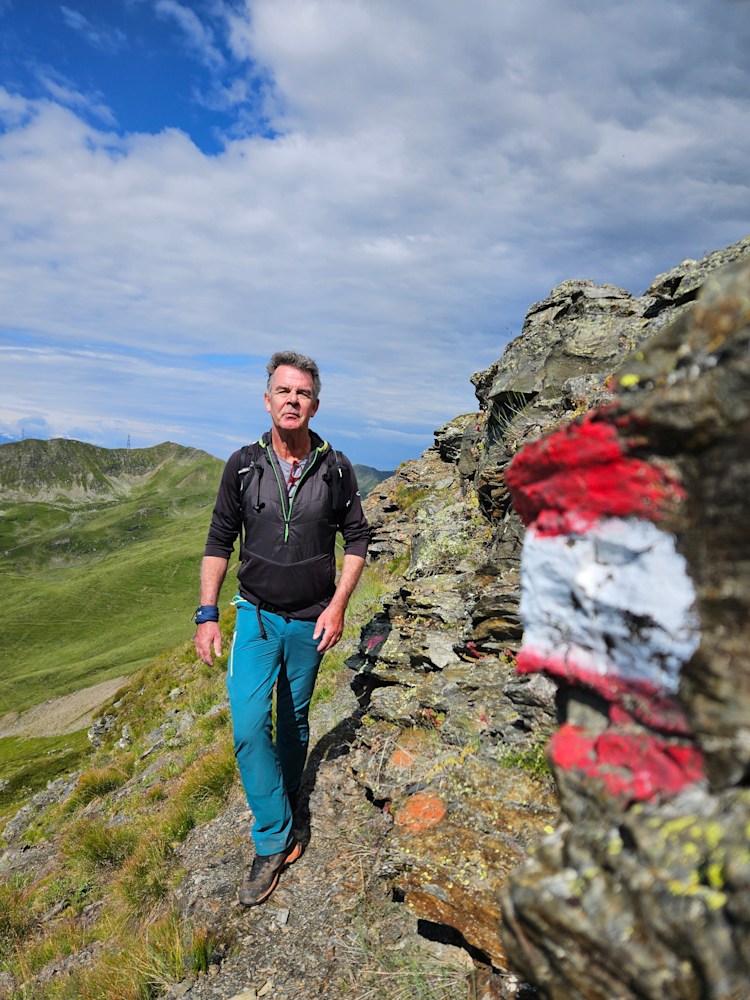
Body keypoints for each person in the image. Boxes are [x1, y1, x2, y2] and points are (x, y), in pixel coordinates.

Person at [194, 351, 369, 907]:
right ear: (267, 399)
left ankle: (289, 796)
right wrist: (207, 613)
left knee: (293, 723)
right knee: (249, 725)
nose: (292, 400)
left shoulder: (336, 468)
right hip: (257, 617)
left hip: (311, 620)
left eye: (303, 393)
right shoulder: (243, 465)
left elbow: (358, 540)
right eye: (283, 391)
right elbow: (220, 540)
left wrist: (338, 605)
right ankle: (274, 837)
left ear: (315, 405)